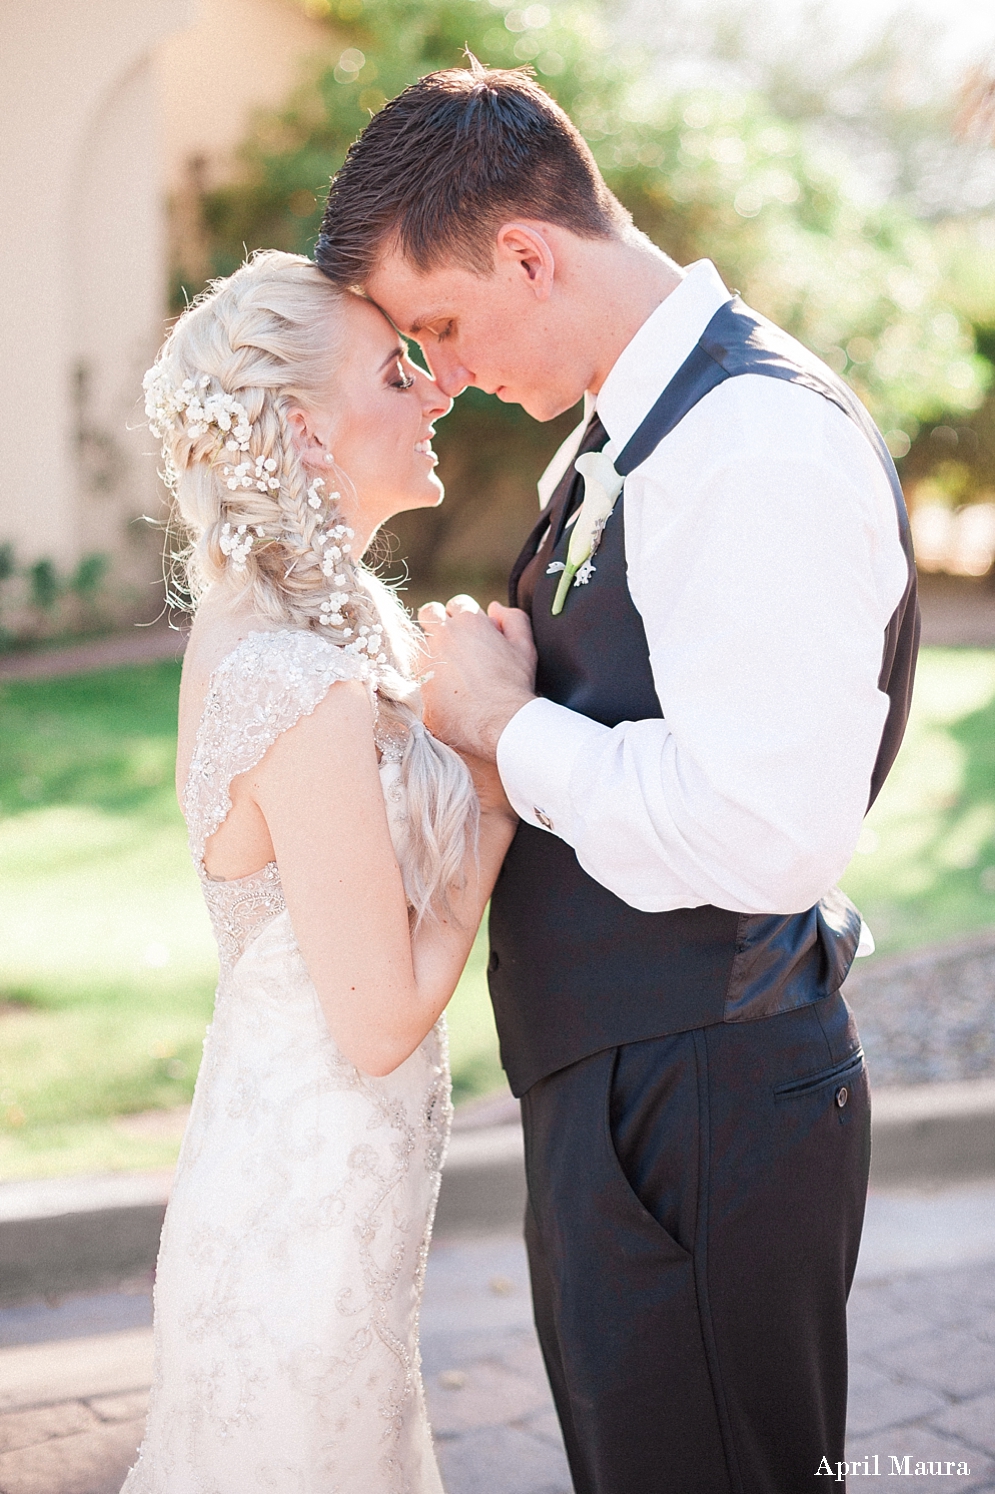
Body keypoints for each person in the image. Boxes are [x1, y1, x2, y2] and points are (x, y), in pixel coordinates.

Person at [315, 64, 919, 1494]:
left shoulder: (749, 442)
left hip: (700, 1096)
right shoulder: (624, 432)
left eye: (442, 325)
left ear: (528, 250)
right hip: (634, 1086)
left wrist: (506, 724)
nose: (443, 373)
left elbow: (760, 832)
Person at [121, 250, 517, 1492]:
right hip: (300, 1229)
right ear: (303, 425)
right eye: (394, 371)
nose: (432, 391)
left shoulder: (318, 630)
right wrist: (497, 798)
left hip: (319, 1197)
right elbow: (381, 1022)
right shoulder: (296, 679)